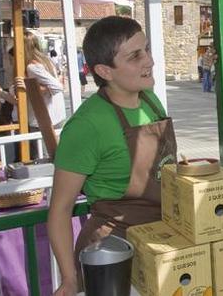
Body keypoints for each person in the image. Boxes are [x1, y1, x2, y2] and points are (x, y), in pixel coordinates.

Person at [47, 16, 177, 296]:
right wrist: (69, 279)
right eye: (135, 56)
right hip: (114, 256)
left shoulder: (149, 100)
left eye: (146, 49)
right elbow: (59, 209)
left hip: (160, 242)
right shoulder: (86, 126)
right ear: (105, 71)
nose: (149, 61)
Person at [23, 30, 67, 129]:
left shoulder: (33, 67)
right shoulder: (46, 60)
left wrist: (33, 88)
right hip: (56, 115)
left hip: (44, 120)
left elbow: (57, 86)